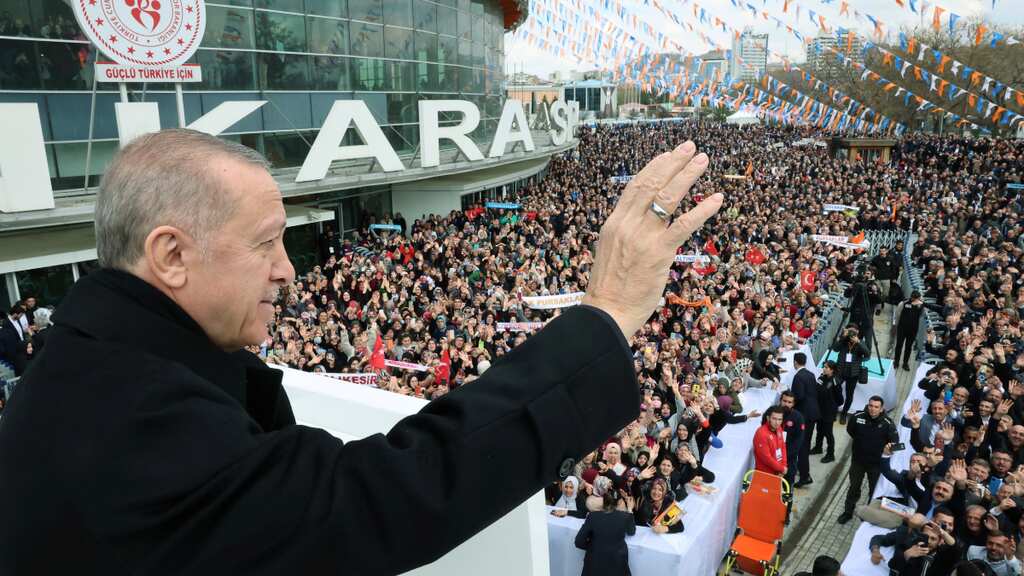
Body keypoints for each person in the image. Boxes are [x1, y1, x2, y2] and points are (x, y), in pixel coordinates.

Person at [0, 129, 724, 574]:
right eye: (265, 242)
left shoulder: (90, 363)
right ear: (171, 255)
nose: (288, 268)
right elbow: (377, 498)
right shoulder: (132, 413)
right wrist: (606, 315)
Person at [838, 395, 898, 524]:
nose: (872, 409)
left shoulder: (888, 424)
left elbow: (895, 443)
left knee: (874, 491)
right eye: (871, 406)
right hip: (858, 461)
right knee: (854, 488)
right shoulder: (857, 417)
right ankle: (848, 512)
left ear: (882, 409)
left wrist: (888, 449)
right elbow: (851, 430)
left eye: (876, 407)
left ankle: (868, 515)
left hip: (876, 465)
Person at [573, 490, 636, 576]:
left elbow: (579, 542)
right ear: (619, 502)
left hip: (594, 567)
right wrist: (629, 509)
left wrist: (593, 547)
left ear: (603, 500)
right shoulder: (626, 517)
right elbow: (631, 531)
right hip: (617, 566)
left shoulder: (593, 516)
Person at [790, 352, 820, 487]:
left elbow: (799, 396)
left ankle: (804, 476)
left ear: (795, 362)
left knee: (802, 447)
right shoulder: (810, 374)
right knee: (805, 444)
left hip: (804, 415)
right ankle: (803, 471)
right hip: (813, 413)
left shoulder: (798, 377)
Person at [833, 323, 870, 424]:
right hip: (840, 370)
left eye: (854, 331)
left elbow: (867, 354)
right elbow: (835, 348)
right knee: (835, 389)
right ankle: (834, 409)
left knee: (850, 395)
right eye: (850, 330)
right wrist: (843, 337)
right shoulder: (843, 340)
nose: (852, 333)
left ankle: (844, 414)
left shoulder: (860, 342)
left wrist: (858, 343)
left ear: (857, 332)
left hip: (853, 373)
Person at [810, 361, 840, 463]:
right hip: (820, 410)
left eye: (826, 367)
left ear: (832, 370)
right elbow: (816, 388)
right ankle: (818, 447)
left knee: (828, 433)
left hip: (829, 412)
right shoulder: (822, 377)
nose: (824, 368)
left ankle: (830, 454)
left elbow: (840, 399)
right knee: (819, 429)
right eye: (824, 367)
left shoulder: (835, 381)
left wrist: (831, 405)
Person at [893, 290, 925, 371]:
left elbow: (921, 315)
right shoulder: (904, 303)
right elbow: (897, 314)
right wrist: (896, 325)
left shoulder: (921, 306)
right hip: (902, 328)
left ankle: (905, 363)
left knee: (908, 347)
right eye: (913, 298)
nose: (914, 300)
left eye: (916, 298)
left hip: (913, 329)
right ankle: (896, 361)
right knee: (899, 345)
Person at [780, 390, 805, 487]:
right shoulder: (772, 413)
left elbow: (798, 442)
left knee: (787, 489)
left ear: (793, 404)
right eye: (784, 401)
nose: (786, 404)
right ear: (780, 400)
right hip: (773, 459)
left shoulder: (798, 418)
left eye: (789, 402)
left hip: (789, 460)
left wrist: (784, 456)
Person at [753, 406, 787, 477]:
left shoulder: (779, 428)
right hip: (765, 474)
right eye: (774, 419)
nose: (777, 422)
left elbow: (783, 447)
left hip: (778, 473)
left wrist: (784, 466)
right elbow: (766, 458)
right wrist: (781, 468)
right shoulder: (761, 434)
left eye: (780, 419)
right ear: (768, 418)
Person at [0, 303, 27, 375]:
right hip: (14, 351)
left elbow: (20, 332)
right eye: (21, 315)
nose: (21, 317)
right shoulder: (5, 323)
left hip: (23, 347)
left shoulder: (18, 320)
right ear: (15, 314)